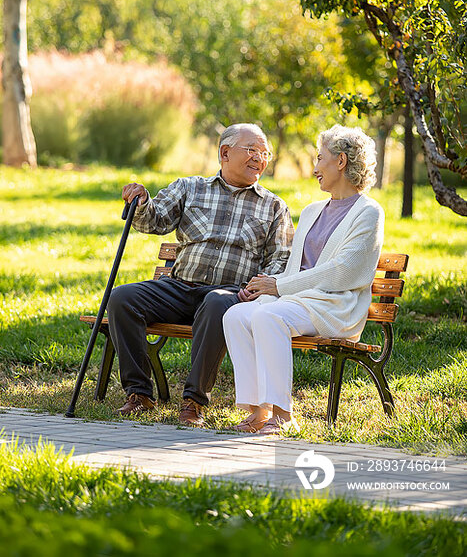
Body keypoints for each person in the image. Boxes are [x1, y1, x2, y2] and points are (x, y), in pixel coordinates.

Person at [107, 123, 294, 426]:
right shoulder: (190, 188)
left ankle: (194, 401)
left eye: (264, 153)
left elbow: (281, 258)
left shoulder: (273, 206)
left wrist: (258, 286)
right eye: (252, 150)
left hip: (228, 293)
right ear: (225, 152)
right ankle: (139, 394)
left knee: (217, 303)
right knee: (122, 298)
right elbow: (152, 222)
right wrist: (142, 201)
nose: (259, 158)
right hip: (178, 287)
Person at [223, 124, 385, 435]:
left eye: (320, 158)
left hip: (337, 306)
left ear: (341, 161)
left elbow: (343, 271)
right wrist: (265, 291)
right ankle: (259, 411)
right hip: (300, 300)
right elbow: (295, 270)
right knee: (236, 315)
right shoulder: (312, 211)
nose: (314, 169)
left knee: (271, 317)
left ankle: (283, 416)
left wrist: (279, 289)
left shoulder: (369, 212)